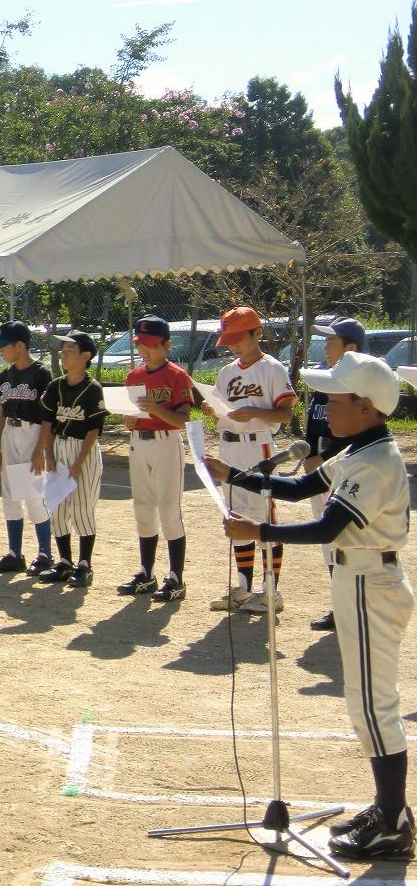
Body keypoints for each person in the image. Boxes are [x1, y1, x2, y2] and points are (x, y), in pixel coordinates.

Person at [212, 352, 413, 860]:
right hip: (359, 577)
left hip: (370, 578)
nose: (324, 407)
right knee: (366, 702)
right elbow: (303, 487)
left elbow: (327, 526)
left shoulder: (375, 460)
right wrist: (236, 476)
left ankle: (391, 821)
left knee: (373, 705)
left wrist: (259, 530)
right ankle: (389, 809)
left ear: (365, 407)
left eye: (334, 399)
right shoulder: (358, 448)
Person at [204, 306, 296, 614]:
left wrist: (255, 412)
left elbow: (285, 413)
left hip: (259, 448)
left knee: (264, 519)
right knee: (235, 517)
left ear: (257, 333)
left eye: (238, 337)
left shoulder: (272, 368)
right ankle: (243, 588)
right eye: (228, 338)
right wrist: (210, 408)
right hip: (230, 447)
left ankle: (271, 591)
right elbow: (218, 405)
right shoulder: (227, 372)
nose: (232, 344)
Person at [116, 316, 193, 602]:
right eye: (141, 344)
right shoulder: (134, 376)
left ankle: (176, 578)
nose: (144, 350)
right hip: (139, 444)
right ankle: (146, 573)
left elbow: (183, 420)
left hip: (166, 443)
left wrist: (156, 409)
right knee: (143, 508)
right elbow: (131, 415)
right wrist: (130, 421)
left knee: (169, 509)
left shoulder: (177, 375)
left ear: (166, 345)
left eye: (150, 345)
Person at [304, 317, 367, 631]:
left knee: (344, 541)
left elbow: (352, 436)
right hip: (319, 467)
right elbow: (314, 425)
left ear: (351, 348)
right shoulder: (326, 377)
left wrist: (323, 458)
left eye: (332, 341)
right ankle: (339, 605)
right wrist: (307, 452)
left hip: (340, 469)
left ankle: (353, 606)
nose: (326, 346)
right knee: (328, 543)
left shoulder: (357, 385)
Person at [33, 331, 106, 587]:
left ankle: (84, 565)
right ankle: (64, 562)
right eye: (62, 350)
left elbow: (93, 430)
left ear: (85, 356)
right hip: (59, 448)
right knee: (57, 507)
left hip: (82, 450)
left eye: (70, 350)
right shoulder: (56, 385)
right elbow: (50, 423)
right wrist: (48, 454)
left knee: (82, 507)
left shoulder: (92, 388)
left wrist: (78, 463)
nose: (63, 354)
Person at [0, 321, 54, 574]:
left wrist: (40, 450)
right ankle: (15, 554)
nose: (1, 351)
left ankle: (45, 553)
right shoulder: (6, 375)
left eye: (5, 347)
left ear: (21, 346)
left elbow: (48, 417)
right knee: (10, 496)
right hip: (11, 434)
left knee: (34, 496)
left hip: (32, 433)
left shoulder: (41, 374)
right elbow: (2, 413)